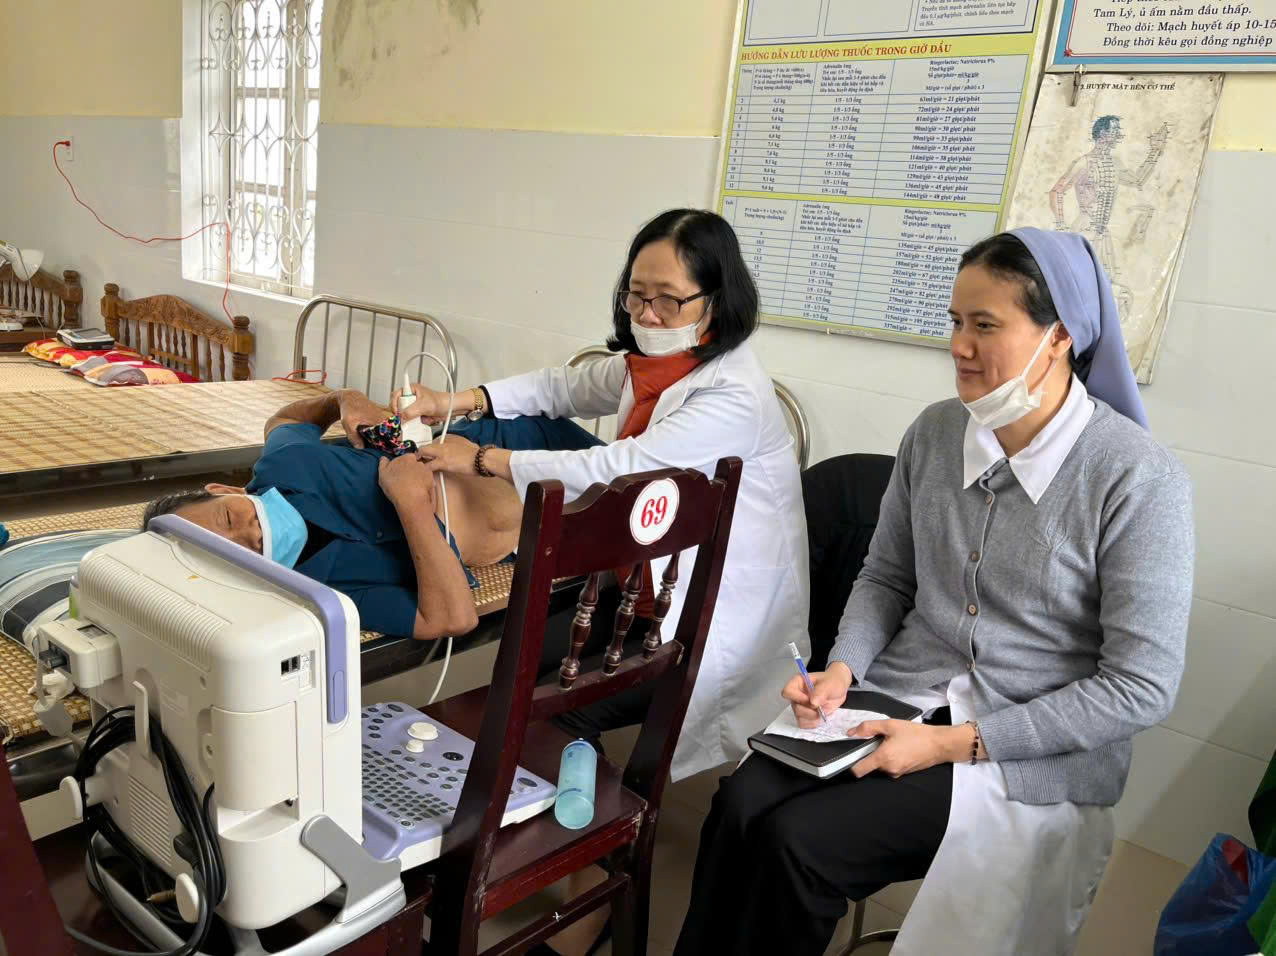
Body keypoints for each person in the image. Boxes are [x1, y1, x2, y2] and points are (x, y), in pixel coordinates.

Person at [673, 228, 1195, 956]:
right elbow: (887, 576)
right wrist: (843, 669)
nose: (959, 346)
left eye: (985, 325)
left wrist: (950, 744)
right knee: (739, 805)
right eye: (955, 321)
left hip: (1024, 749)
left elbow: (1141, 687)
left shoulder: (1137, 479)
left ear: (1060, 337)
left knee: (798, 842)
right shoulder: (936, 433)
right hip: (900, 697)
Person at [346, 207, 810, 783]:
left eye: (668, 300)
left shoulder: (732, 394)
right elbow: (560, 387)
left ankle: (568, 808)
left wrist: (486, 460)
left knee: (547, 706)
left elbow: (619, 469)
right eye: (636, 295)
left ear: (715, 300)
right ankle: (545, 789)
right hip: (643, 588)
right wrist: (452, 402)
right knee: (519, 670)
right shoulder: (658, 366)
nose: (647, 314)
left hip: (716, 618)